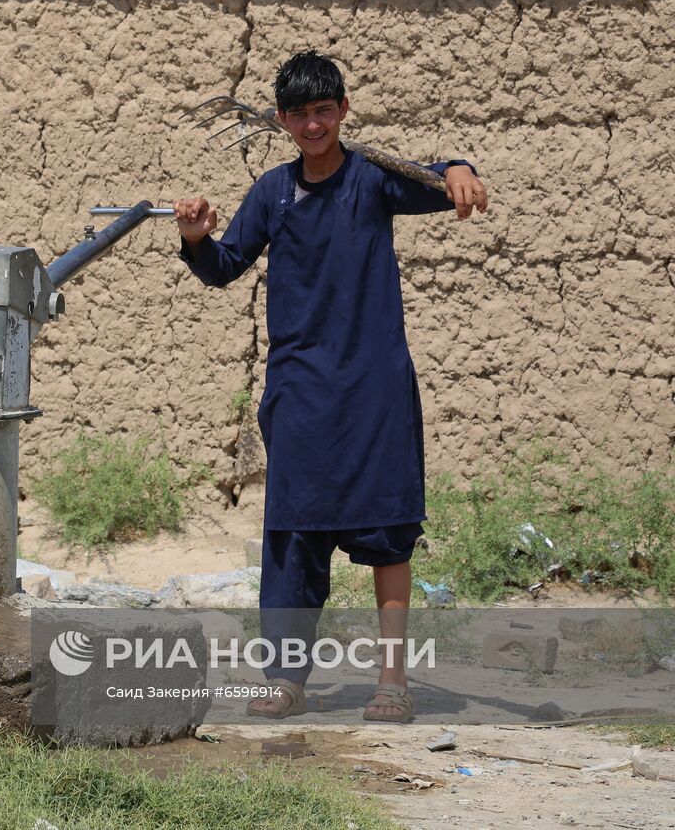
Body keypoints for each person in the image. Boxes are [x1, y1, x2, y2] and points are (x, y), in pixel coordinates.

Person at [174, 50, 488, 722]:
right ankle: (287, 679)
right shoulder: (273, 193)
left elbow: (437, 178)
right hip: (301, 392)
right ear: (282, 120)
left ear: (343, 111)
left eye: (325, 110)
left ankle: (393, 682)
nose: (313, 125)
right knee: (292, 534)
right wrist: (197, 238)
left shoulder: (373, 181)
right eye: (300, 114)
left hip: (375, 388)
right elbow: (224, 266)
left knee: (389, 534)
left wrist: (461, 167)